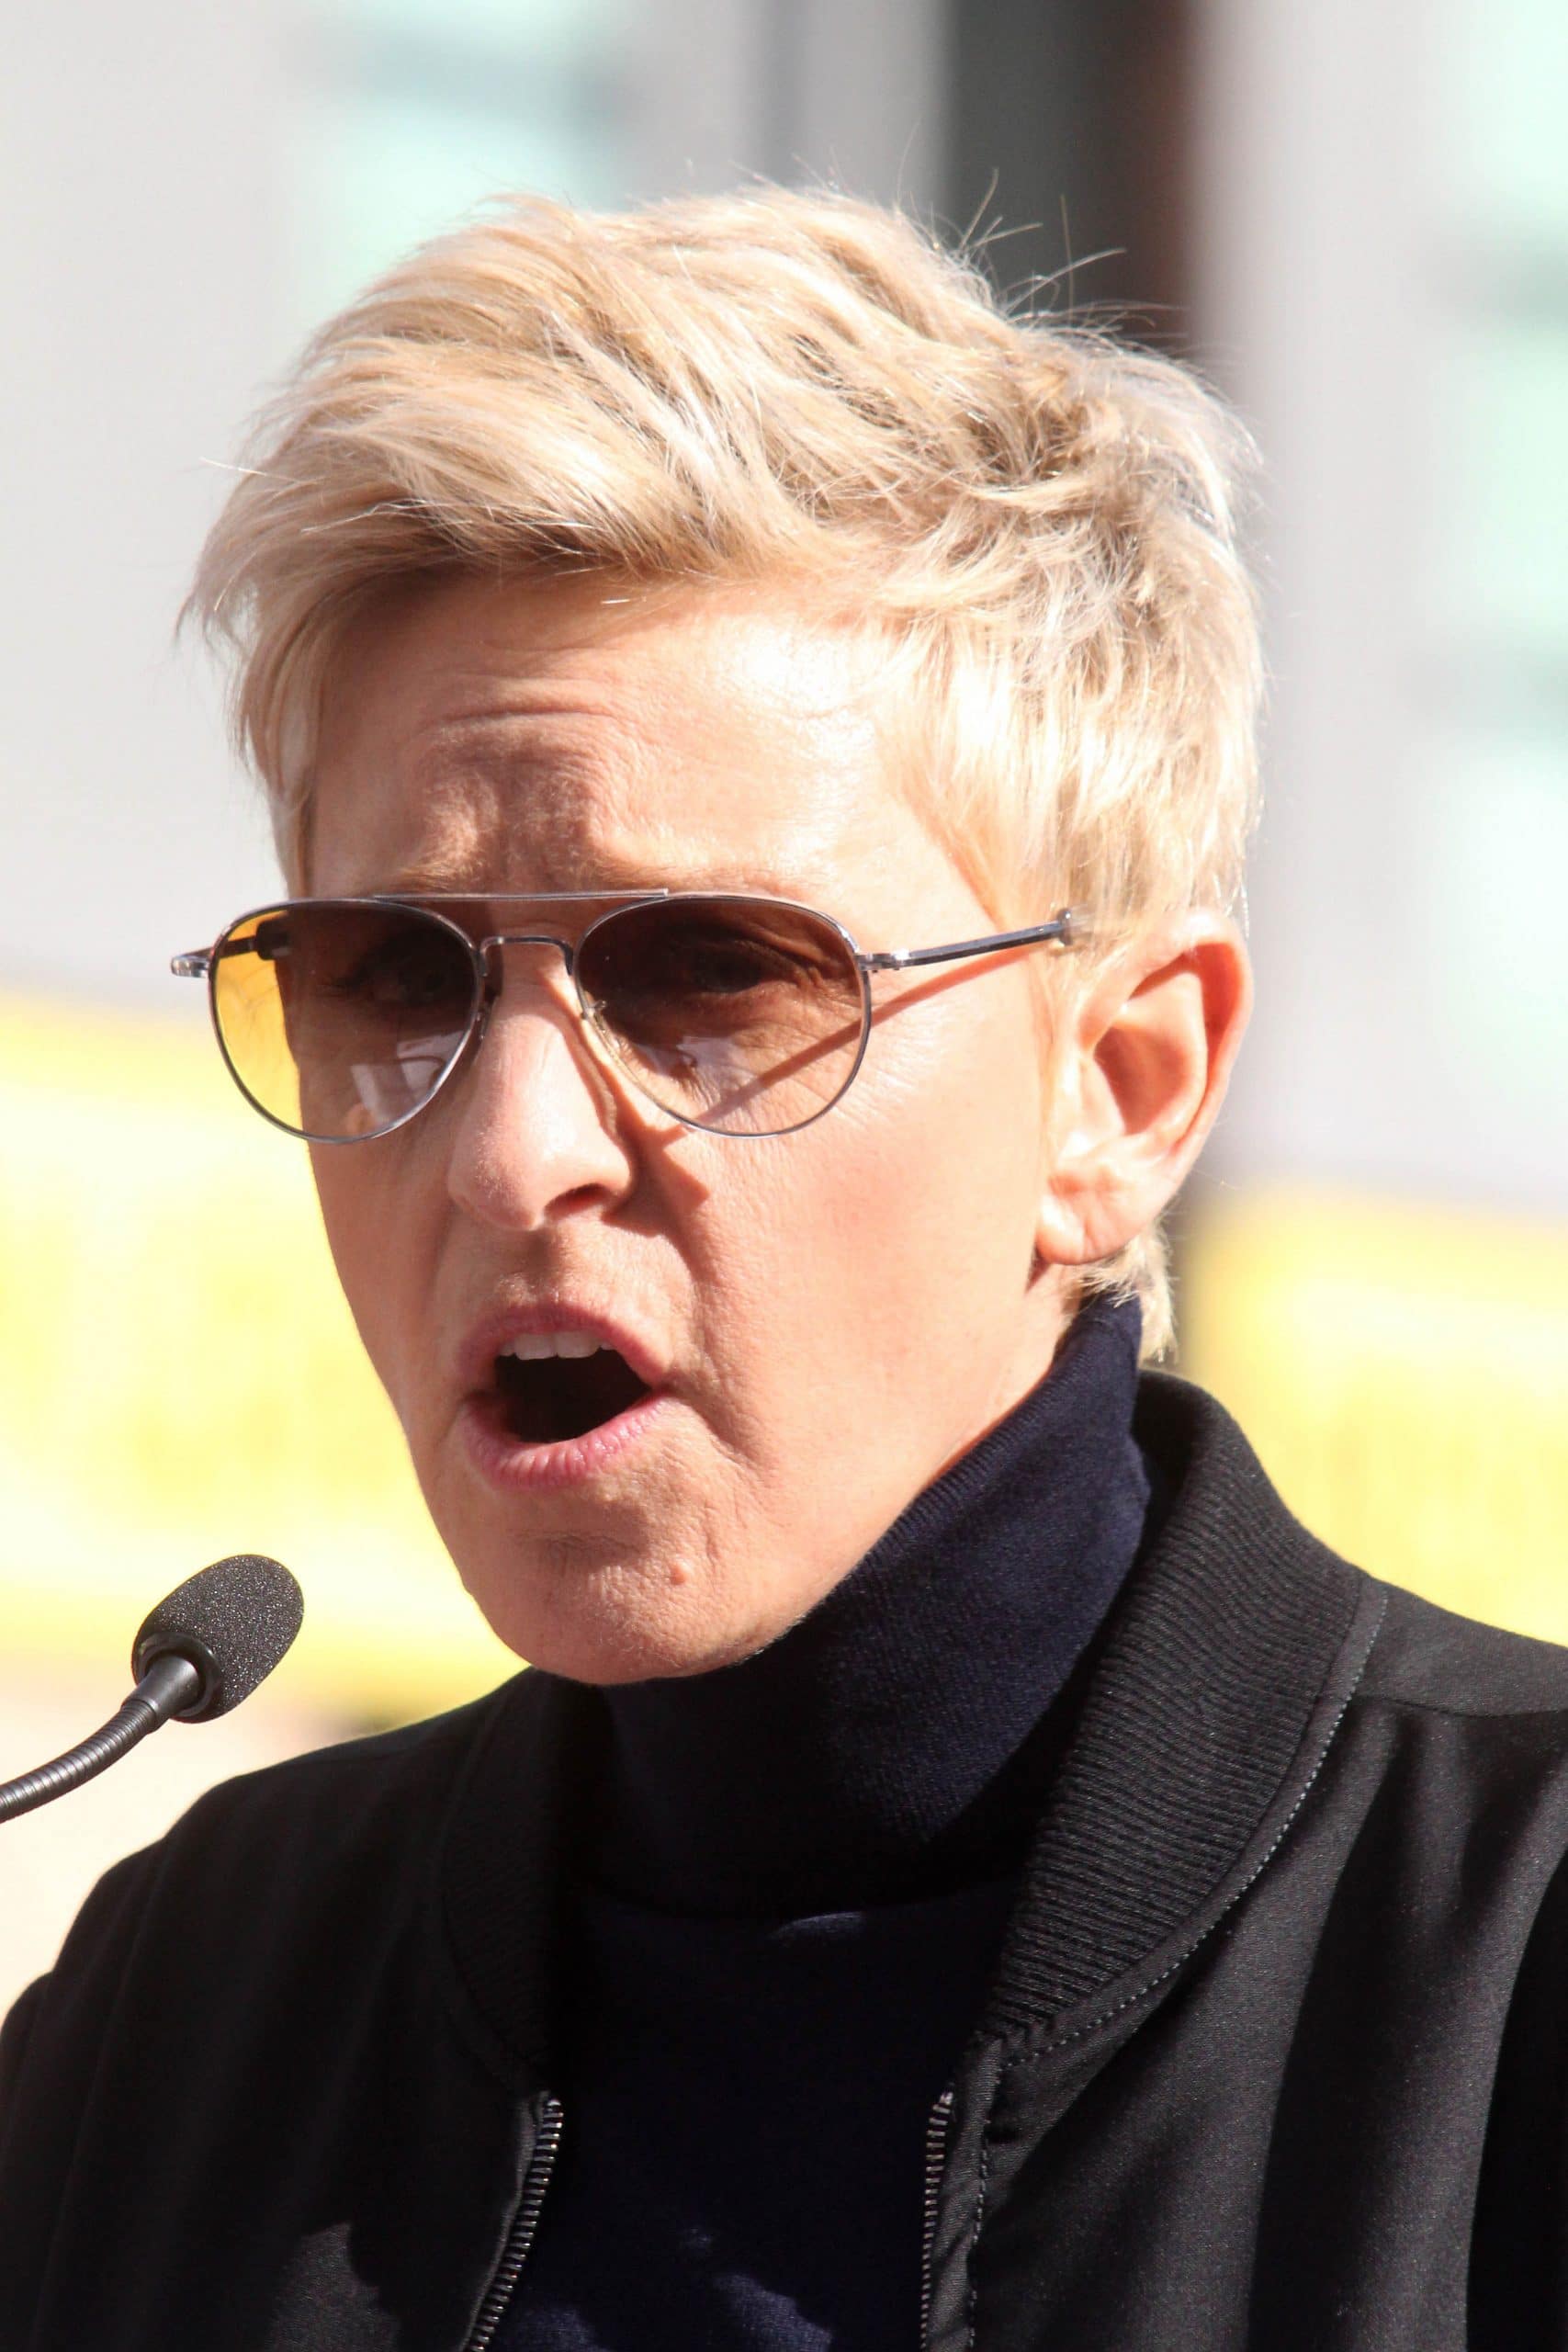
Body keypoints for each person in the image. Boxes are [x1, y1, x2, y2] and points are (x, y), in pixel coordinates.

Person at [1, 189, 1564, 2352]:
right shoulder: (179, 2013)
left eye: (710, 973)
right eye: (386, 973)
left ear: (1116, 1087)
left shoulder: (1511, 1943)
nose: (511, 1147)